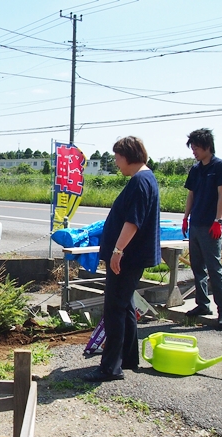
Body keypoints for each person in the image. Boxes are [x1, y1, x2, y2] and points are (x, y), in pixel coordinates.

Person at [83, 136, 160, 382]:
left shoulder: (140, 181)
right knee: (124, 305)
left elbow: (133, 221)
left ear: (128, 156)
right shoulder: (146, 178)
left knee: (114, 307)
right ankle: (127, 358)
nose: (116, 163)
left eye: (117, 157)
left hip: (128, 256)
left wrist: (118, 251)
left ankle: (110, 367)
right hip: (132, 255)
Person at [182, 128, 222, 329]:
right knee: (197, 267)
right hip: (196, 223)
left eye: (196, 147)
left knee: (214, 268)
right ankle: (203, 304)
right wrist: (185, 217)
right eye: (192, 147)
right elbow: (191, 194)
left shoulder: (220, 167)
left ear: (207, 146)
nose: (193, 151)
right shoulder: (195, 169)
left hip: (211, 224)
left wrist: (218, 221)